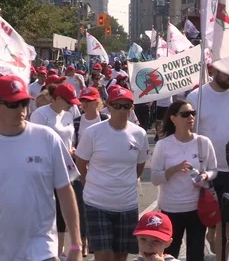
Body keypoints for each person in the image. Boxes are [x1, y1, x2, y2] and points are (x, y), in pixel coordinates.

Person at [0, 75, 82, 261]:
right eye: (13, 104)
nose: (21, 109)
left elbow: (65, 191)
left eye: (23, 102)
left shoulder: (46, 138)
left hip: (42, 250)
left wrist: (76, 244)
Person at [186, 66, 229, 261]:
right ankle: (211, 235)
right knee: (207, 219)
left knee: (226, 223)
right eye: (226, 72)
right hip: (205, 171)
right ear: (213, 70)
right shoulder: (196, 96)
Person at [75, 87, 150, 261]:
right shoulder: (93, 132)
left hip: (127, 204)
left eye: (127, 106)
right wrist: (90, 185)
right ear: (108, 106)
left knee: (120, 256)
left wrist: (127, 182)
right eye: (118, 106)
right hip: (97, 203)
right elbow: (81, 163)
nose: (123, 110)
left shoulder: (139, 133)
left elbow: (139, 165)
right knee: (103, 256)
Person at [151, 100, 218, 260]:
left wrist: (205, 176)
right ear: (173, 118)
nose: (191, 117)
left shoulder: (203, 142)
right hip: (171, 208)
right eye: (185, 114)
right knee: (170, 254)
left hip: (197, 207)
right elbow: (155, 179)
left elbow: (213, 169)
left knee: (196, 253)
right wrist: (174, 169)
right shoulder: (163, 145)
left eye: (193, 114)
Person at [30, 82, 81, 259]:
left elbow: (71, 139)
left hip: (65, 168)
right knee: (46, 209)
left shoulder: (68, 115)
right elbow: (35, 143)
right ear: (58, 98)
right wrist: (59, 153)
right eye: (69, 101)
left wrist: (72, 150)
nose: (72, 105)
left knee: (62, 211)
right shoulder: (40, 114)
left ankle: (59, 251)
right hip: (44, 170)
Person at [73, 87, 109, 256]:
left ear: (98, 102)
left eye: (89, 101)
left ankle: (97, 241)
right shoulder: (76, 122)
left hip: (102, 171)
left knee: (100, 207)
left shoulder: (105, 119)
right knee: (82, 205)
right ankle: (84, 241)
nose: (85, 104)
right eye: (83, 101)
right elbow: (73, 143)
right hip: (81, 170)